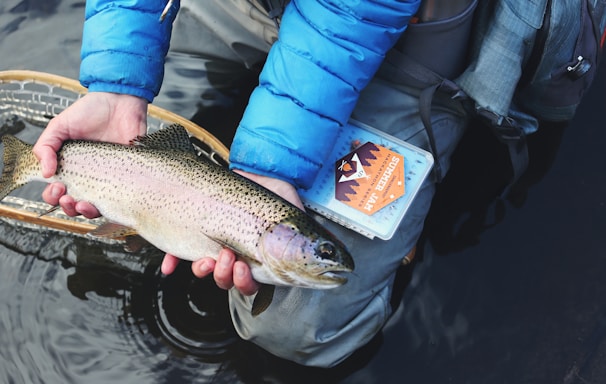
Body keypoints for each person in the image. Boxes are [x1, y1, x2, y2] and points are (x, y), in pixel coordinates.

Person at [32, 0, 601, 368]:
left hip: (401, 39)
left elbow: (345, 17)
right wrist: (117, 81)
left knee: (298, 329)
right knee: (135, 159)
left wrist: (270, 169)